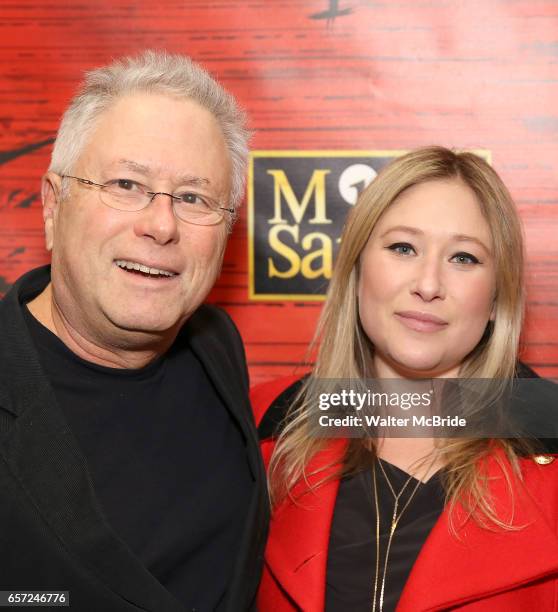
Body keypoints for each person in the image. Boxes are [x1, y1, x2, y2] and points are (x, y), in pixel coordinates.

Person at [0, 50, 268, 611]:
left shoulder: (216, 348)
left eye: (194, 198)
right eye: (126, 184)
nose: (161, 225)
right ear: (53, 204)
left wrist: (501, 400)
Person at [251, 146, 558, 611]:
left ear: (497, 297)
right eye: (403, 248)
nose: (429, 284)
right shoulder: (266, 426)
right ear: (356, 269)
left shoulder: (548, 448)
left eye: (464, 258)